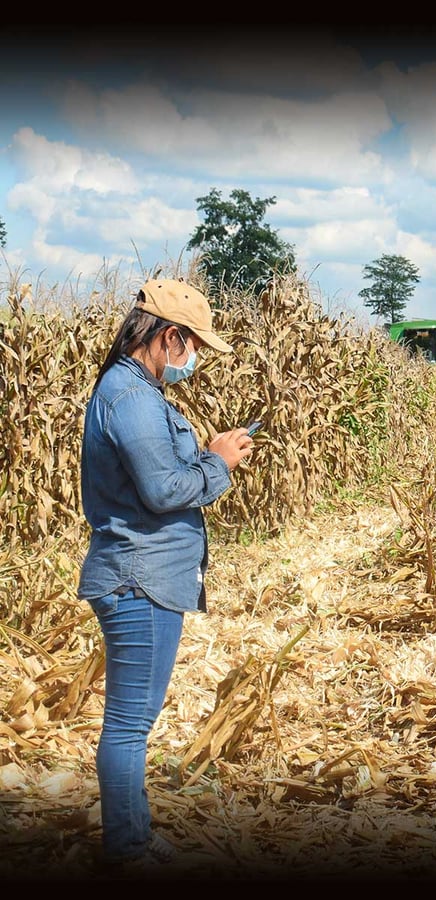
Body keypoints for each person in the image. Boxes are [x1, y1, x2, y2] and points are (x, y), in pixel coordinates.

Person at [77, 277, 255, 870]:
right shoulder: (129, 397)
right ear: (169, 336)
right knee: (129, 725)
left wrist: (205, 450)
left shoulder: (135, 392)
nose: (194, 360)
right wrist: (218, 463)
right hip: (138, 579)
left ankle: (133, 836)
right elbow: (162, 491)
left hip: (142, 576)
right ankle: (126, 854)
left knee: (134, 719)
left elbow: (150, 474)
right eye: (192, 346)